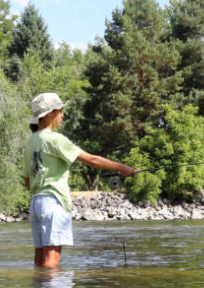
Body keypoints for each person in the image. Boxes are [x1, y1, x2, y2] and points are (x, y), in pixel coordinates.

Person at [23, 92, 138, 268]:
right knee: (51, 262)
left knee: (40, 261)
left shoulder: (30, 142)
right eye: (60, 111)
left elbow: (27, 182)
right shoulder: (55, 140)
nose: (62, 115)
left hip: (36, 203)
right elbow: (92, 160)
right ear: (49, 114)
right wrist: (122, 168)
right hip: (53, 203)